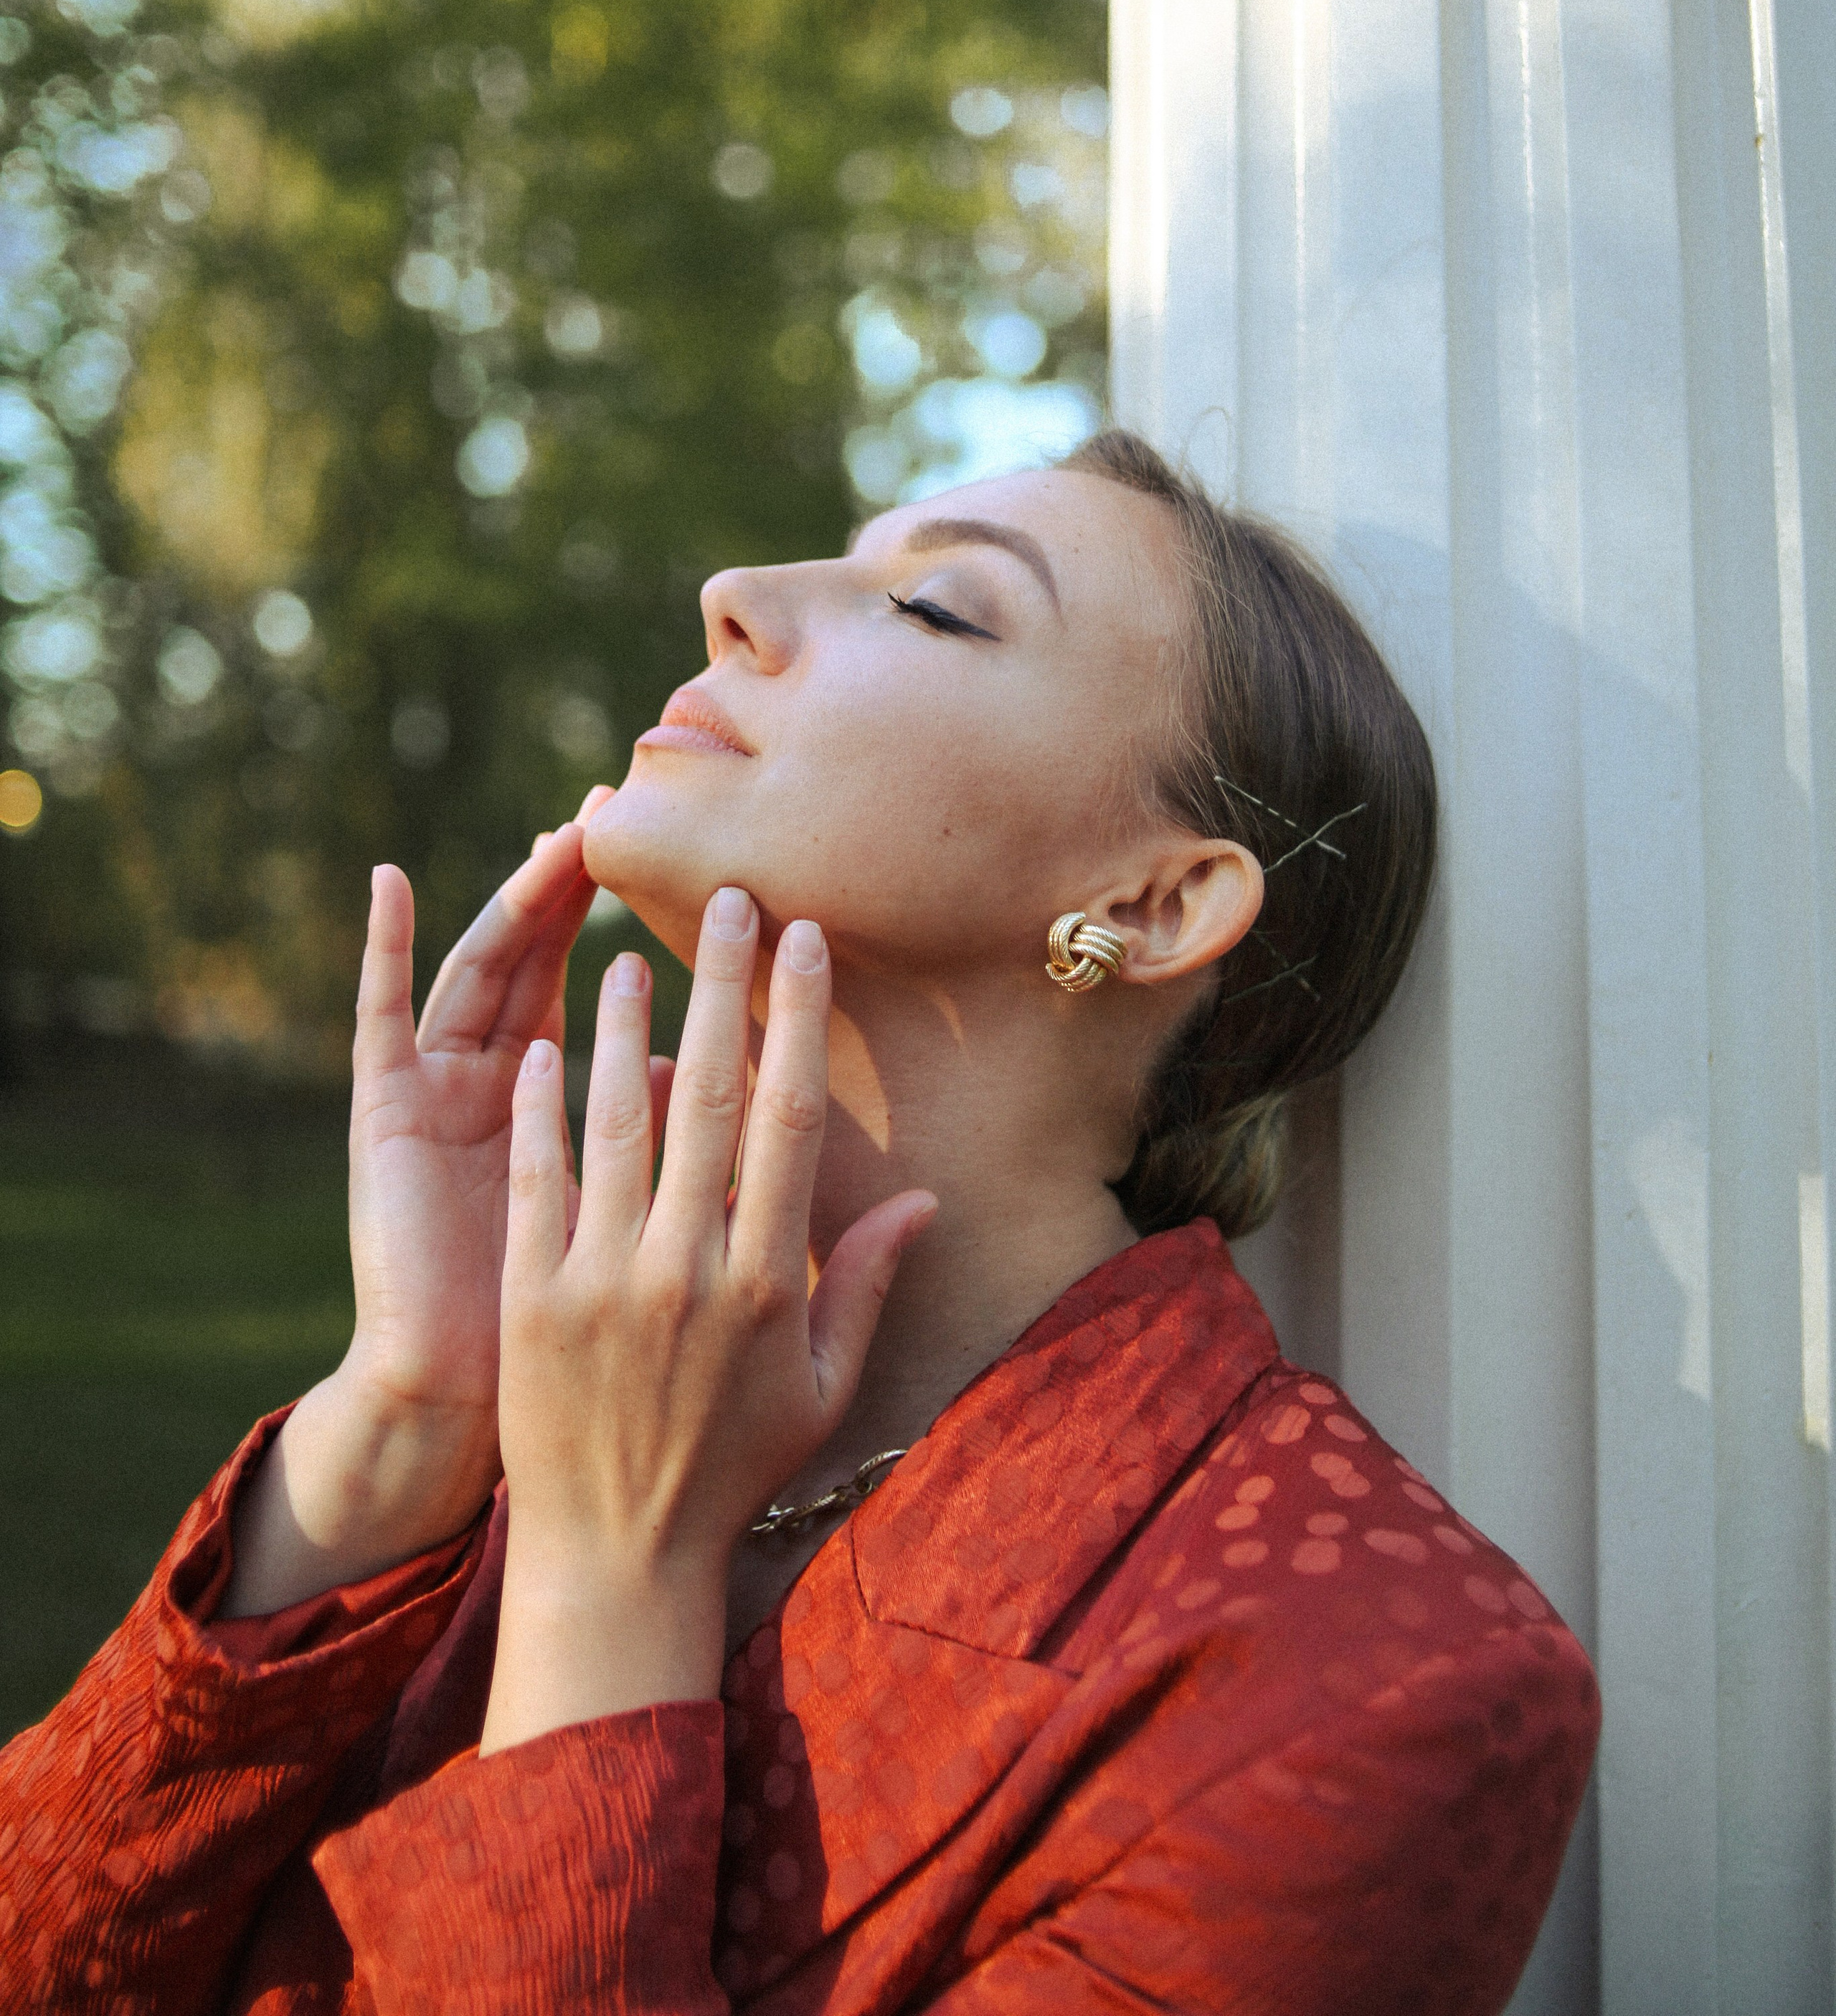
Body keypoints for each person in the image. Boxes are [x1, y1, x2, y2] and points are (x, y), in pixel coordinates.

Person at [0, 431, 1599, 2014]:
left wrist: (602, 1580)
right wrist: (399, 1420)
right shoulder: (525, 1386)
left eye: (936, 609)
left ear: (1146, 905)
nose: (732, 595)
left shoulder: (1365, 1680)